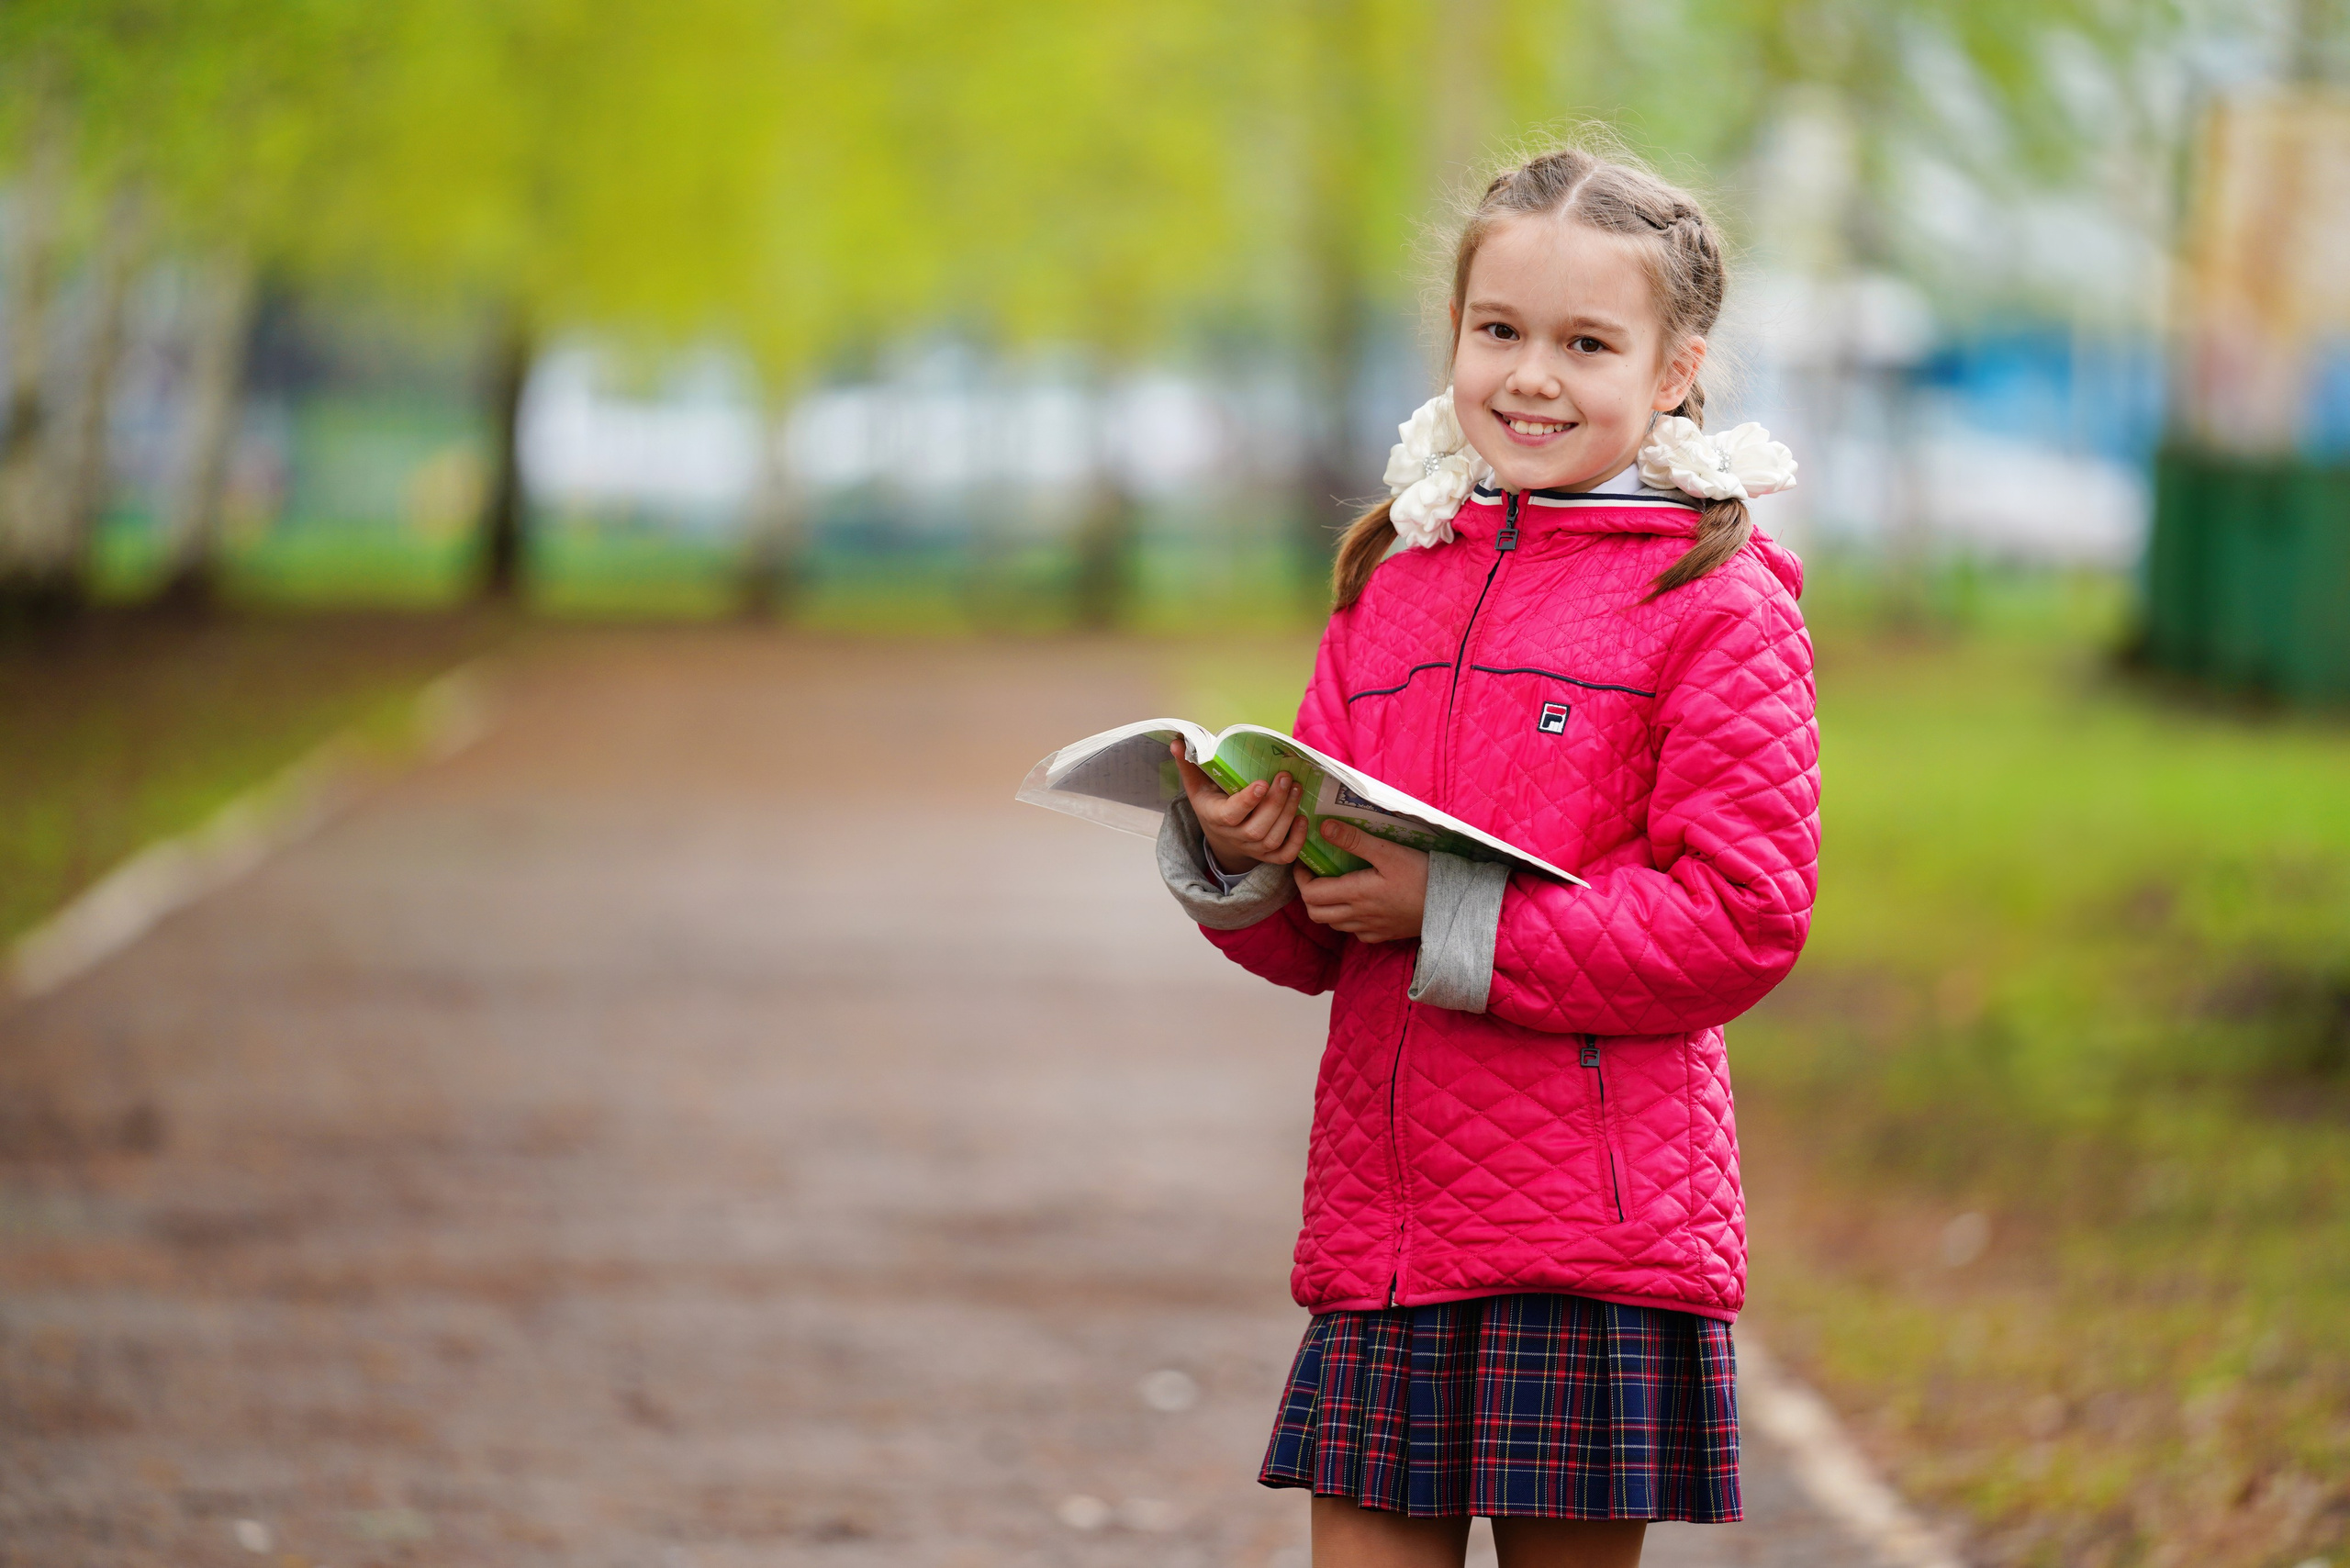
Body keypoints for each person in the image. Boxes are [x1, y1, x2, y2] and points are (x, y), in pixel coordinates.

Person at [1157, 142, 1819, 1568]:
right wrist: (1250, 859)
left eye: (1587, 343)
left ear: (1675, 370)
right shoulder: (1394, 581)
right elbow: (1322, 938)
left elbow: (1740, 917)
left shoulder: (1717, 604)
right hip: (1388, 1221)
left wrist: (1453, 917)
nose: (1530, 375)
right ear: (1454, 336)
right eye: (1498, 331)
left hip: (1589, 1234)